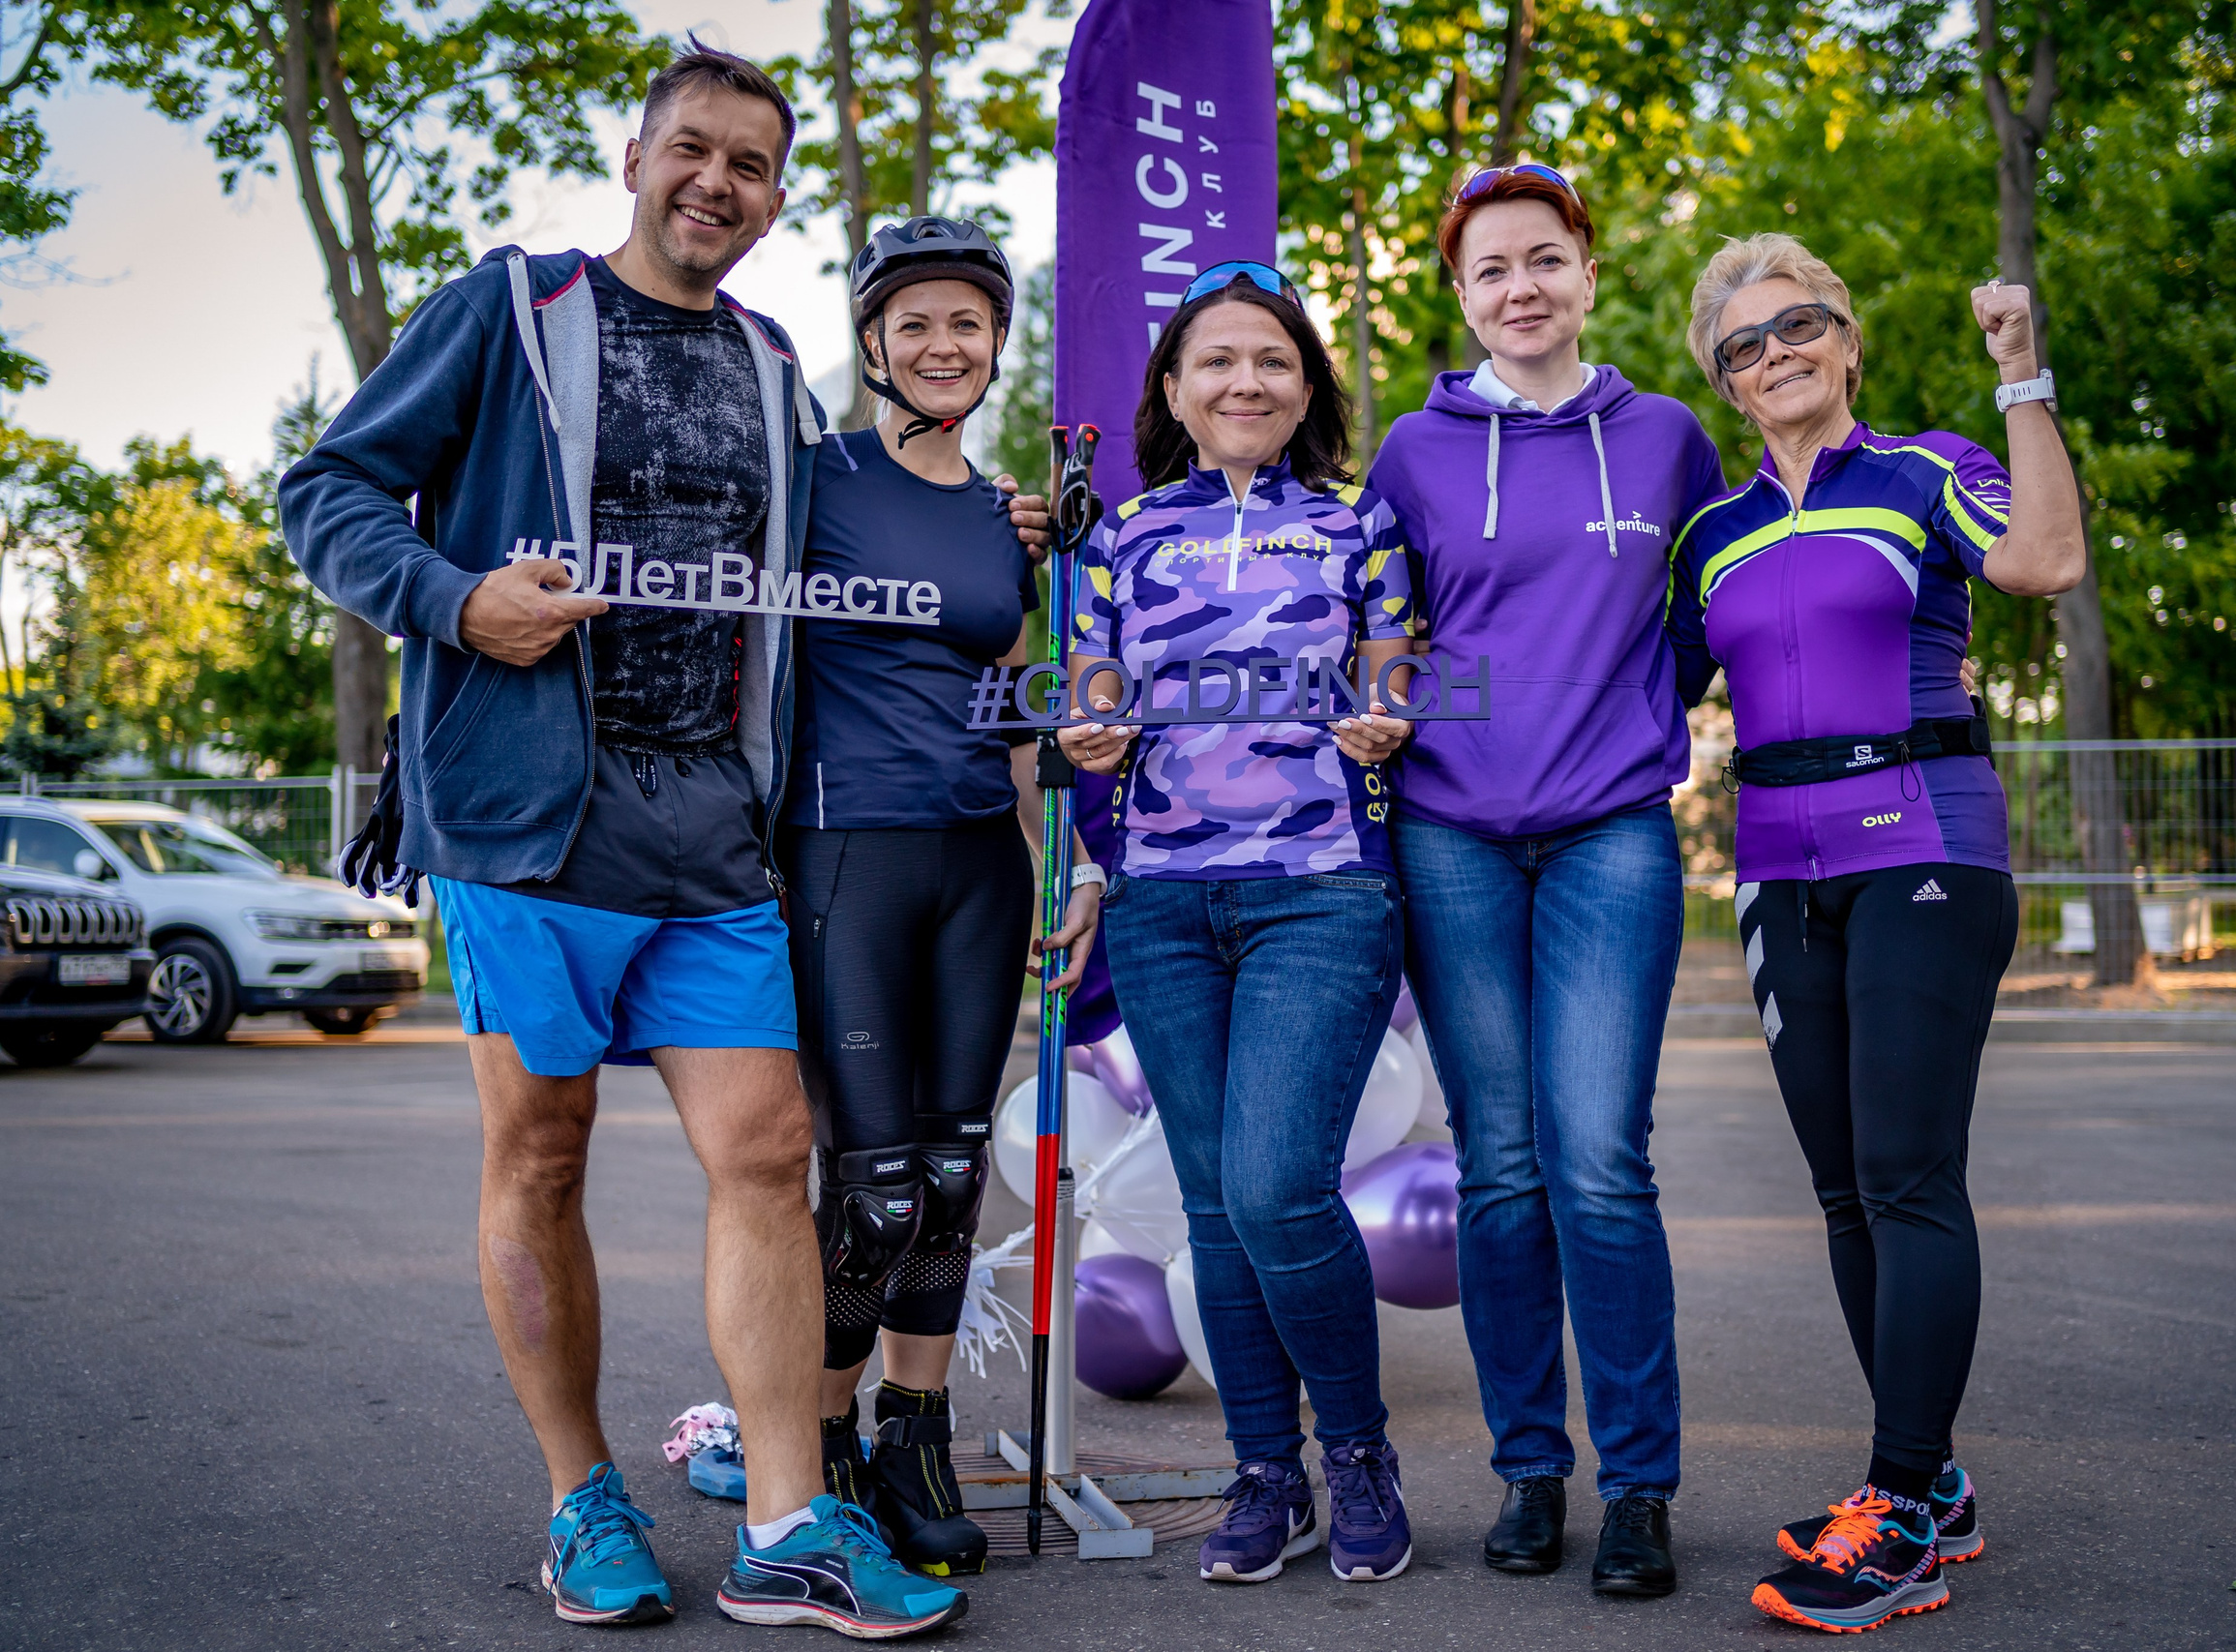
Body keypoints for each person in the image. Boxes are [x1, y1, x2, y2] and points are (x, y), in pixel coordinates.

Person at [281, 43, 1019, 1640]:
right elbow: (328, 488)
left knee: (767, 1149)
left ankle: (784, 1527)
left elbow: (855, 570)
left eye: (752, 167)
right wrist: (454, 599)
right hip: (525, 817)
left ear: (773, 199)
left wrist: (1003, 524)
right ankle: (581, 1496)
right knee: (539, 1155)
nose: (718, 185)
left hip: (713, 824)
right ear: (635, 158)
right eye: (693, 151)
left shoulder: (772, 365)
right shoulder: (512, 310)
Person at [1668, 232, 2084, 1635]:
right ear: (1725, 383)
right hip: (1779, 874)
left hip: (1926, 840)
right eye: (1745, 344)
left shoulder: (1924, 471)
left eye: (1799, 328)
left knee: (1908, 1175)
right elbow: (1623, 691)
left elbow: (2043, 560)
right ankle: (1935, 1486)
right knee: (1847, 1189)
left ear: (1847, 342)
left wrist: (2023, 376)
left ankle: (1897, 1509)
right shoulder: (1710, 536)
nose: (1775, 352)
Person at [1364, 163, 1723, 1597]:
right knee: (1500, 1165)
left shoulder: (1670, 440)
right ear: (1463, 298)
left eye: (1544, 261)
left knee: (1599, 1160)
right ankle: (1532, 1468)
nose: (1521, 289)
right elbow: (1384, 632)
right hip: (1449, 834)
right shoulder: (1413, 449)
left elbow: (1697, 624)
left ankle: (1639, 1484)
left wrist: (1623, 725)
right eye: (1491, 270)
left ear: (1586, 272)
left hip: (1611, 836)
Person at [1059, 261, 1420, 1587]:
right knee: (1213, 1203)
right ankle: (1268, 1476)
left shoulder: (1360, 527)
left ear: (1304, 384)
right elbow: (1090, 692)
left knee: (1277, 1187)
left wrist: (1388, 711)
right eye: (1216, 360)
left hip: (1319, 892)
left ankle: (1363, 1454)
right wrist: (1089, 732)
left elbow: (1394, 672)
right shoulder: (1119, 537)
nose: (1245, 381)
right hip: (1160, 902)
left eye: (1271, 358)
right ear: (1174, 388)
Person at [784, 214, 1098, 1577]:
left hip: (982, 855)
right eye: (912, 322)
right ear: (872, 345)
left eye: (965, 321)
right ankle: (821, 1439)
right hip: (846, 850)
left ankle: (917, 1434)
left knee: (958, 1175)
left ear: (995, 345)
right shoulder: (813, 478)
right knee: (875, 1190)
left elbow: (1016, 698)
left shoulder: (1009, 514)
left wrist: (1069, 865)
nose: (940, 342)